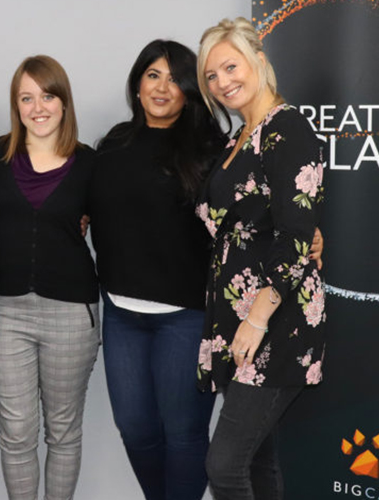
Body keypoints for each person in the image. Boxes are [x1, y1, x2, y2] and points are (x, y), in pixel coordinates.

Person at [195, 17, 326, 499]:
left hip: (274, 322)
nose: (222, 82)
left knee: (225, 465)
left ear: (259, 61)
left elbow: (295, 234)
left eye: (230, 67)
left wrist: (255, 320)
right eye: (211, 76)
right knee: (257, 462)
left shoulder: (287, 127)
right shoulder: (239, 137)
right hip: (239, 320)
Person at [91, 40, 224, 500]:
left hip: (186, 317)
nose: (162, 87)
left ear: (190, 91)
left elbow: (247, 215)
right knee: (135, 428)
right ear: (137, 84)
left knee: (184, 433)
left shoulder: (211, 150)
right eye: (153, 75)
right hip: (122, 313)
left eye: (174, 79)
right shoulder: (113, 144)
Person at [0, 55, 99, 500]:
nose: (38, 108)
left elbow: (123, 224)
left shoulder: (90, 163)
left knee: (63, 431)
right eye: (26, 98)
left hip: (71, 312)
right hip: (7, 311)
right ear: (16, 106)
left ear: (64, 102)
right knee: (15, 432)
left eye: (48, 96)